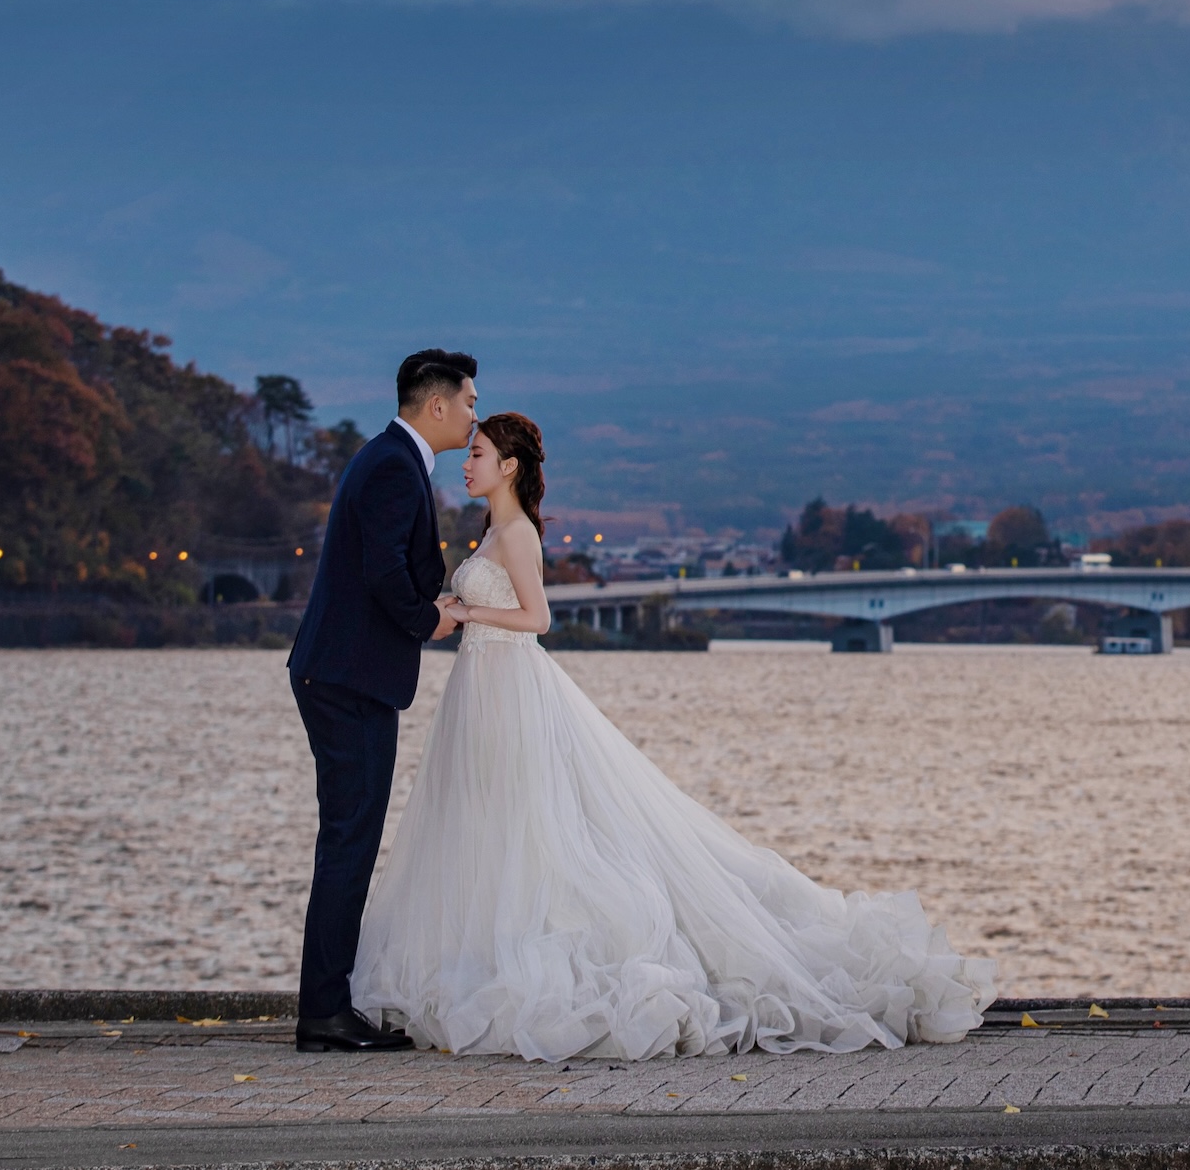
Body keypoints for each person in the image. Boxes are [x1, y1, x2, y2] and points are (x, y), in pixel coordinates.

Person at [349, 410, 994, 1060]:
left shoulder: (515, 533)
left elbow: (538, 617)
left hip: (507, 683)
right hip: (479, 685)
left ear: (509, 465)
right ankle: (481, 960)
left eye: (479, 453)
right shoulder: (491, 531)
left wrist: (463, 612)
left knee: (526, 823)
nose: (467, 463)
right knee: (484, 825)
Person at [285, 348, 480, 1054]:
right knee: (349, 840)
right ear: (436, 405)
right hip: (346, 679)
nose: (473, 414)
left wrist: (449, 589)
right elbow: (382, 573)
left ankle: (327, 1004)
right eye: (468, 402)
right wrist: (430, 620)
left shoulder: (393, 462)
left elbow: (407, 562)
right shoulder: (394, 465)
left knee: (349, 837)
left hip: (343, 675)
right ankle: (325, 1012)